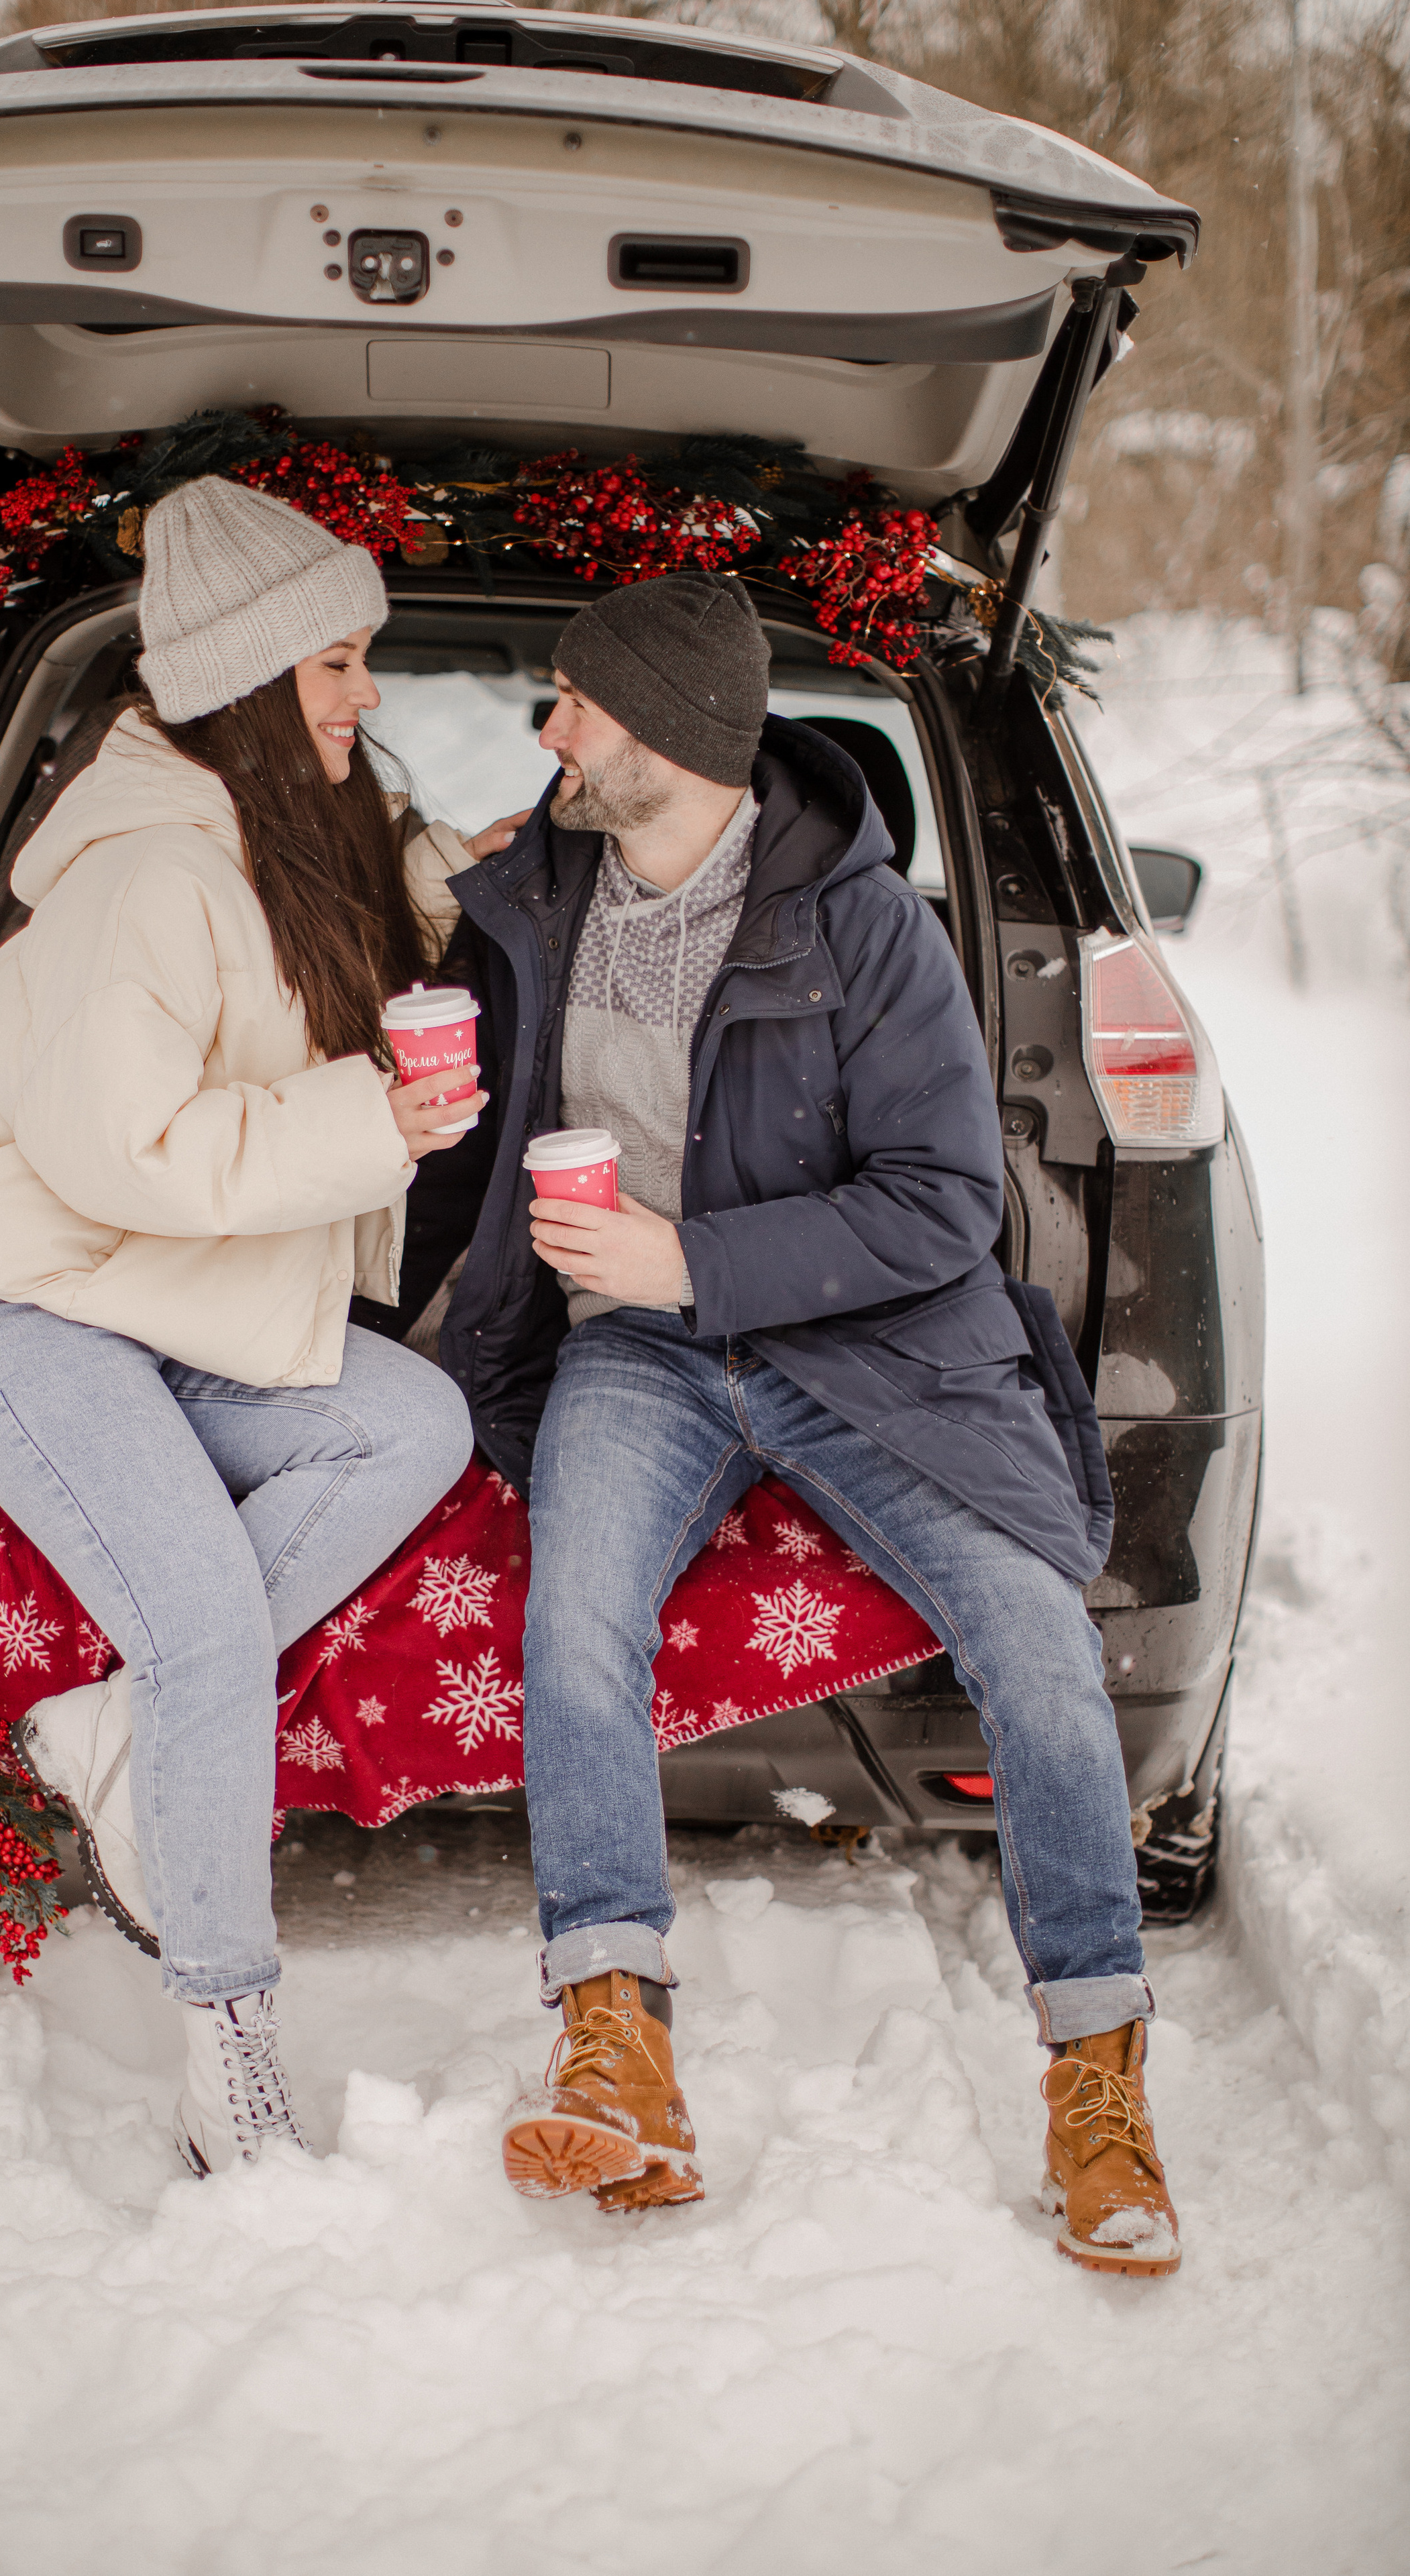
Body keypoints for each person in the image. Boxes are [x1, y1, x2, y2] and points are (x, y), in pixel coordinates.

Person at [441, 571, 1181, 2275]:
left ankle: (1094, 2082)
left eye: (572, 703)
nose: (545, 729)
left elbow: (940, 1204)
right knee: (575, 1624)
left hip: (863, 1349)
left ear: (674, 736)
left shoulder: (862, 926)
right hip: (630, 1348)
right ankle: (615, 2043)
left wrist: (689, 1251)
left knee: (1033, 1643)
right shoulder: (533, 889)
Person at [0, 476, 509, 2178]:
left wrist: (517, 872)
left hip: (180, 1305)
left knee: (412, 1426)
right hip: (43, 1304)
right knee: (213, 1633)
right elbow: (132, 1157)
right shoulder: (144, 876)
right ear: (246, 676)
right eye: (338, 661)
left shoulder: (288, 830)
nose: (363, 694)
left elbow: (399, 909)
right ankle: (227, 2053)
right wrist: (378, 1122)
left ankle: (112, 1720)